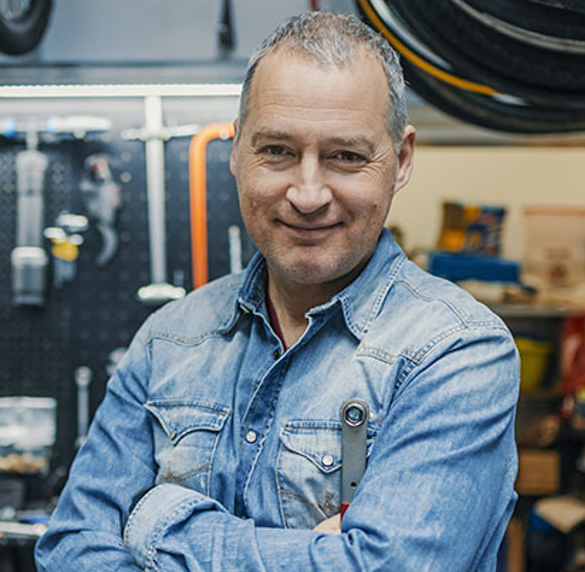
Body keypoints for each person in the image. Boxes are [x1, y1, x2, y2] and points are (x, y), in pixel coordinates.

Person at [35, 11, 519, 571]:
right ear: (238, 153)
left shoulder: (456, 353)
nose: (309, 194)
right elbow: (72, 549)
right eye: (278, 151)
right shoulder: (168, 340)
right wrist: (326, 555)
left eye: (346, 156)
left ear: (401, 160)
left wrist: (155, 522)